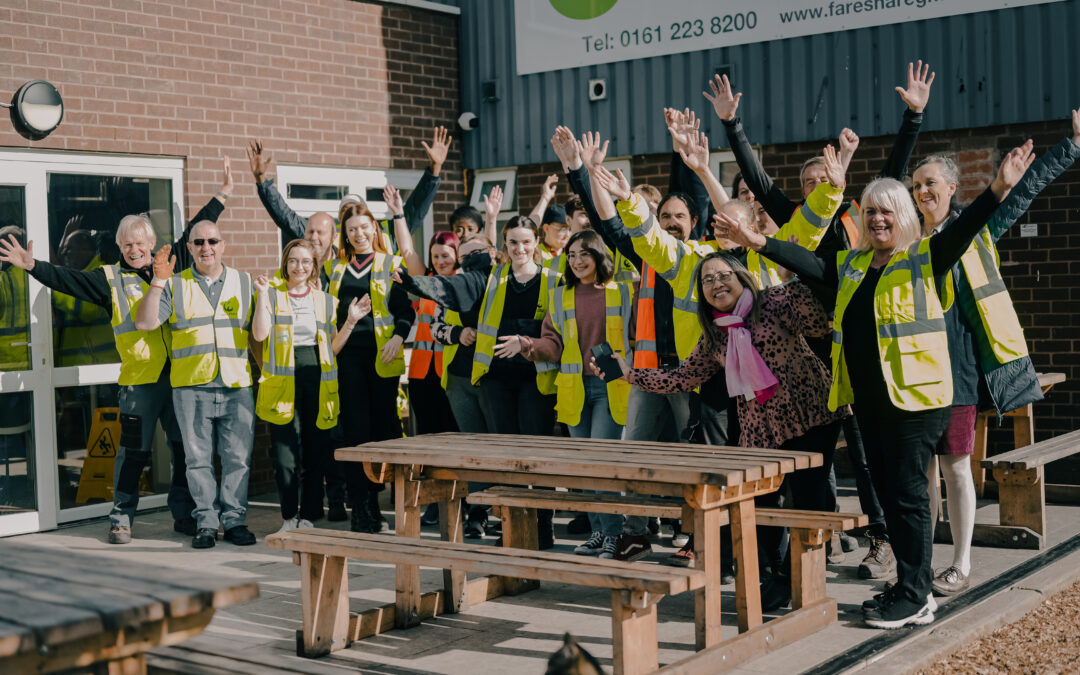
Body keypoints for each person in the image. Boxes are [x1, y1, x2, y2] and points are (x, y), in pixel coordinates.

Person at [715, 140, 1034, 628]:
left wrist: (998, 188)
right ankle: (908, 583)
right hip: (870, 402)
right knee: (893, 496)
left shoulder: (925, 258)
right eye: (869, 212)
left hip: (916, 402)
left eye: (886, 211)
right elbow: (806, 263)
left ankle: (916, 597)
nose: (877, 220)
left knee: (906, 497)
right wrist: (756, 241)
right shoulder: (855, 266)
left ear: (904, 214)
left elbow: (967, 228)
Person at [706, 62, 936, 577]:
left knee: (869, 456)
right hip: (815, 354)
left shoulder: (861, 222)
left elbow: (895, 175)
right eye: (808, 181)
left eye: (824, 178)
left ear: (839, 179)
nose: (817, 184)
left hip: (862, 347)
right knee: (828, 458)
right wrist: (732, 126)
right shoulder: (796, 223)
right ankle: (814, 551)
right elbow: (761, 184)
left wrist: (913, 117)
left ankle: (882, 539)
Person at [594, 138, 850, 574]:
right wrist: (630, 201)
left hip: (806, 409)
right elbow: (653, 244)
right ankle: (760, 573)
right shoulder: (702, 278)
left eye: (736, 228)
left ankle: (809, 568)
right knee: (757, 498)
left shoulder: (772, 270)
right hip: (747, 411)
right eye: (720, 228)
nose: (716, 280)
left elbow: (811, 226)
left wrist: (832, 189)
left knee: (808, 494)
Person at [0, 166, 232, 544]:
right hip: (140, 384)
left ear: (153, 242)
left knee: (184, 450)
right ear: (120, 247)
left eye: (140, 243)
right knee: (134, 454)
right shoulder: (108, 279)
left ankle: (185, 514)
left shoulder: (171, 266)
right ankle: (121, 517)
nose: (135, 250)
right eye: (127, 245)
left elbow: (196, 229)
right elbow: (66, 278)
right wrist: (32, 266)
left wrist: (221, 196)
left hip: (179, 380)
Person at [911, 108, 1080, 596]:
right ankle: (920, 560)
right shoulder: (904, 240)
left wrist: (1069, 148)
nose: (923, 191)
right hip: (912, 374)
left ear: (951, 189)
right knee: (921, 475)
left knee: (956, 467)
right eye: (917, 184)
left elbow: (1020, 194)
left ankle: (960, 563)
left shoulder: (975, 229)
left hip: (958, 371)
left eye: (931, 183)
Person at [395, 215, 558, 546]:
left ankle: (542, 528)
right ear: (504, 246)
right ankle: (514, 529)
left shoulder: (553, 280)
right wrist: (416, 284)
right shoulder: (491, 278)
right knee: (505, 459)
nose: (520, 248)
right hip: (496, 381)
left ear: (536, 243)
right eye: (513, 242)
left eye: (526, 241)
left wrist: (526, 343)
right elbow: (455, 286)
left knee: (538, 457)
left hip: (535, 381)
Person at [500, 229, 634, 559]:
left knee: (601, 462)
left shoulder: (623, 291)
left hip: (611, 387)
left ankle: (617, 536)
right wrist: (527, 344)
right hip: (575, 389)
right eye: (571, 255)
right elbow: (555, 344)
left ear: (599, 256)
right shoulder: (561, 296)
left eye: (583, 254)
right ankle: (599, 532)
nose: (576, 261)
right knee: (584, 466)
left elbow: (635, 338)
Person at [135, 218, 258, 549]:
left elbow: (258, 336)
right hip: (191, 388)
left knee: (237, 459)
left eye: (212, 241)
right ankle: (206, 522)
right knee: (197, 460)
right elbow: (145, 322)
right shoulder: (173, 284)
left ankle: (234, 521)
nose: (207, 247)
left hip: (236, 386)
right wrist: (158, 282)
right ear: (188, 248)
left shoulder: (245, 283)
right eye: (199, 242)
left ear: (223, 245)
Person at [253, 239, 371, 534]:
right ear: (285, 263)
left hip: (317, 381)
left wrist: (351, 322)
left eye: (306, 261)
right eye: (293, 260)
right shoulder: (273, 295)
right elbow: (259, 333)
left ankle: (307, 517)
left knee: (315, 453)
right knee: (283, 457)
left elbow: (332, 348)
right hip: (282, 383)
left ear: (314, 267)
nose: (299, 266)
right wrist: (261, 296)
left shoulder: (326, 301)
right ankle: (289, 517)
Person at [324, 200, 416, 533]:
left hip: (383, 360)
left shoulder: (390, 264)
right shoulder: (334, 270)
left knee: (386, 433)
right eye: (352, 230)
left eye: (364, 227)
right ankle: (363, 508)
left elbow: (407, 312)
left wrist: (399, 337)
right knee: (356, 435)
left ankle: (400, 505)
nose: (359, 234)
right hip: (347, 361)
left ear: (374, 228)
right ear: (345, 236)